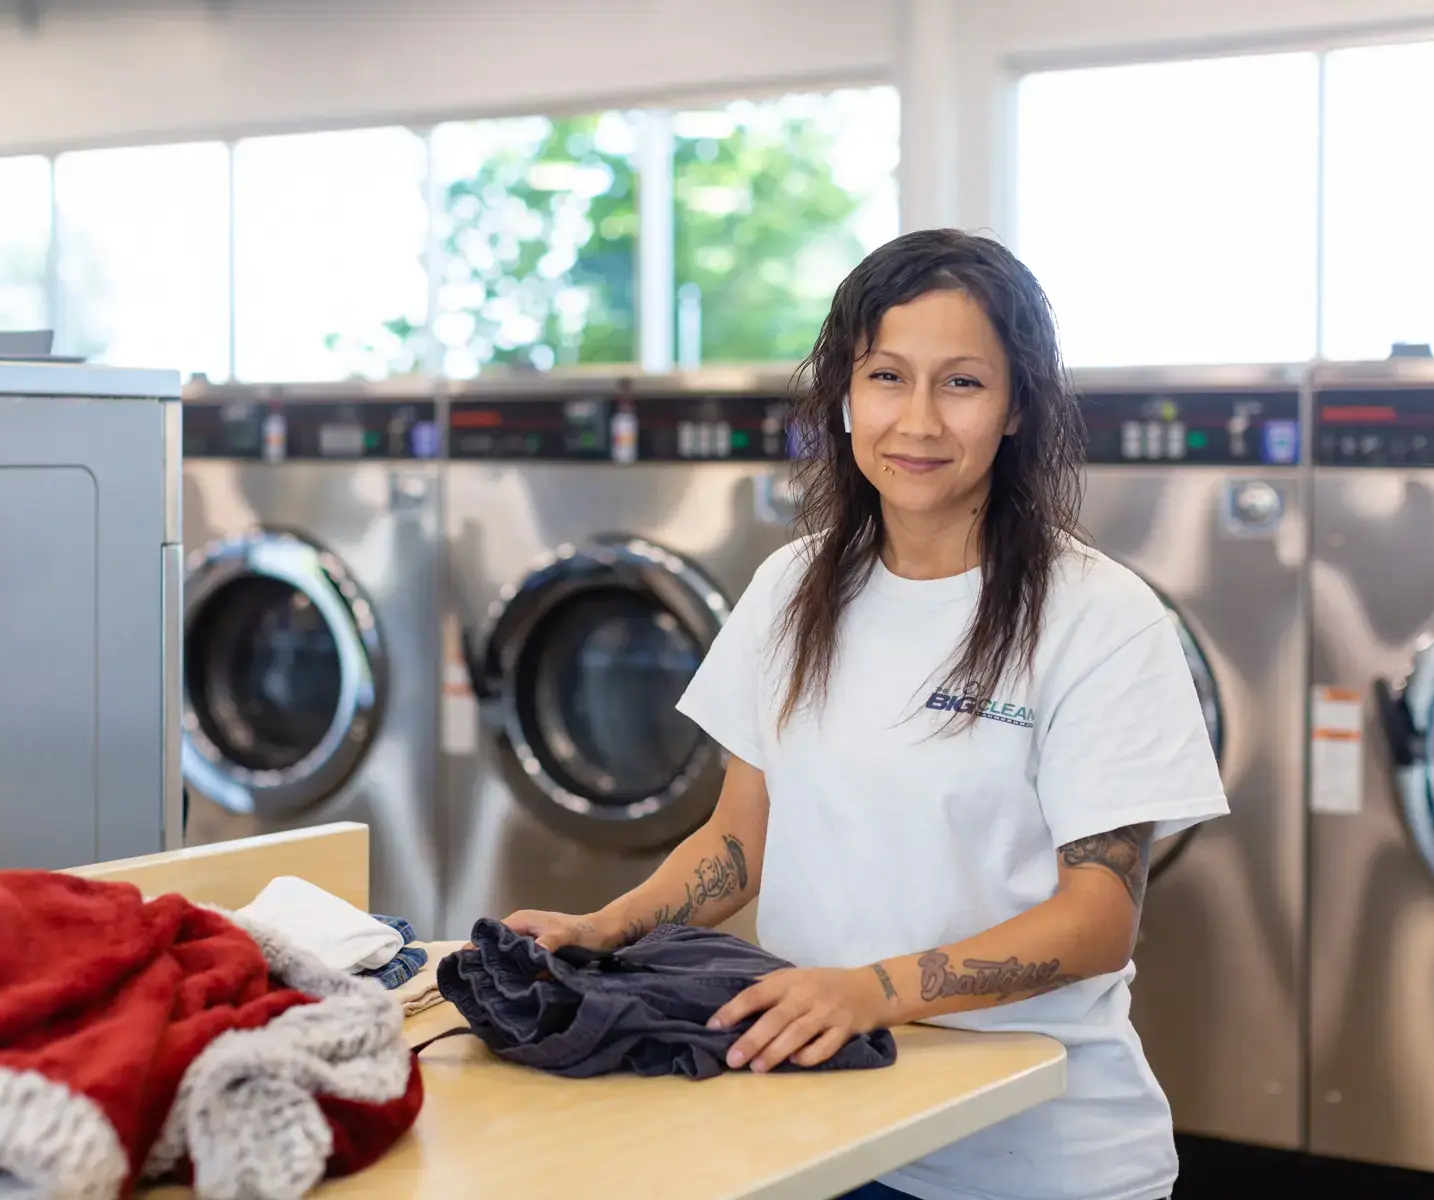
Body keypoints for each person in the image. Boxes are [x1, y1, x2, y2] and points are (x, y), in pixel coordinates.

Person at [500, 228, 1227, 1200]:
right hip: (829, 1125)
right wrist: (609, 928)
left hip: (1038, 1158)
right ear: (845, 393)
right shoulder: (791, 588)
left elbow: (1098, 920)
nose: (918, 420)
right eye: (888, 376)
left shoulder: (1099, 617)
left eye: (962, 383)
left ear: (1017, 408)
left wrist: (870, 990)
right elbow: (740, 838)